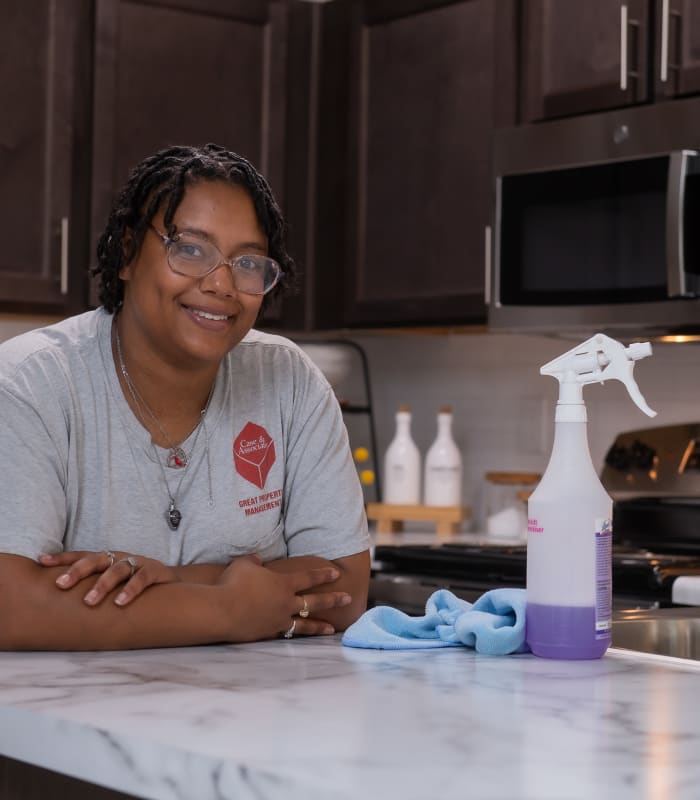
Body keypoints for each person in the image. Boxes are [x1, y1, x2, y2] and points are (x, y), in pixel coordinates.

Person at [0, 143, 370, 650]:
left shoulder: (290, 380)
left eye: (247, 262)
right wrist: (229, 609)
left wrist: (169, 583)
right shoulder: (30, 383)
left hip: (258, 713)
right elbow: (13, 605)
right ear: (128, 251)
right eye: (190, 249)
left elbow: (345, 587)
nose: (220, 283)